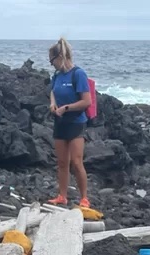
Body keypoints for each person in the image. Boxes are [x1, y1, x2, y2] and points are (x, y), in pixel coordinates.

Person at [47, 38, 92, 208]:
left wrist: (66, 108)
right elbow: (53, 91)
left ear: (60, 57)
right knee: (62, 162)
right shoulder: (57, 76)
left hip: (76, 122)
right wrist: (53, 103)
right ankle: (62, 196)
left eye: (52, 61)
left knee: (76, 162)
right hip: (60, 123)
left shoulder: (78, 74)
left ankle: (84, 198)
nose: (51, 64)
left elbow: (86, 101)